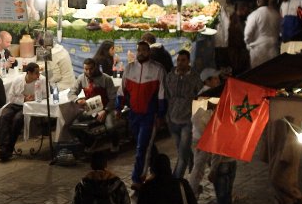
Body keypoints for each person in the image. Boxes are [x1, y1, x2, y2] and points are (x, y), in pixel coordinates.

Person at [122, 41, 167, 189]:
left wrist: (160, 114)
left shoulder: (158, 69)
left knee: (142, 147)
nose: (140, 53)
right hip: (134, 114)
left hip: (150, 115)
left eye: (144, 50)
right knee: (146, 145)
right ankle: (159, 169)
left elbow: (162, 94)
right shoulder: (129, 68)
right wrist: (118, 107)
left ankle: (138, 178)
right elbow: (122, 91)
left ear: (149, 52)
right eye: (138, 50)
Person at [256, 118, 302, 204]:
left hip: (285, 147)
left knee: (279, 178)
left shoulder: (288, 105)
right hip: (275, 145)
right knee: (273, 178)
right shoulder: (273, 106)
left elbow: (295, 126)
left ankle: (295, 201)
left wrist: (288, 151)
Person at [164, 51, 203, 179]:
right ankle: (190, 158)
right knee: (181, 149)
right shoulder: (170, 76)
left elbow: (200, 96)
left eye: (183, 60)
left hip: (187, 120)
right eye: (179, 60)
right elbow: (167, 95)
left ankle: (176, 180)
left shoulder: (194, 78)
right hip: (173, 120)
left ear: (188, 61)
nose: (180, 63)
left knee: (181, 156)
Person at [68, 58, 119, 152]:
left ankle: (115, 144)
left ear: (96, 67)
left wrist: (105, 111)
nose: (88, 71)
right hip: (91, 110)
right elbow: (71, 93)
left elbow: (113, 99)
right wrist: (77, 100)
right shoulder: (81, 78)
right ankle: (90, 141)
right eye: (86, 69)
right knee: (73, 125)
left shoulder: (106, 79)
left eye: (91, 69)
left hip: (106, 109)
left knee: (111, 126)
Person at [0, 63, 44, 162]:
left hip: (30, 106)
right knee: (4, 116)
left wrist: (35, 98)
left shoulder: (42, 80)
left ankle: (8, 149)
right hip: (15, 104)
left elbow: (46, 94)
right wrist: (24, 99)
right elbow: (11, 97)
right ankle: (3, 148)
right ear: (29, 73)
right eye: (36, 73)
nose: (38, 75)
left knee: (17, 119)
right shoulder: (18, 80)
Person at [243, 0, 281, 67]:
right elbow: (280, 30)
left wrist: (248, 44)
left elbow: (247, 35)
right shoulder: (276, 14)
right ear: (268, 1)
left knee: (259, 76)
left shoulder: (254, 15)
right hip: (274, 50)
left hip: (259, 52)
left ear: (257, 2)